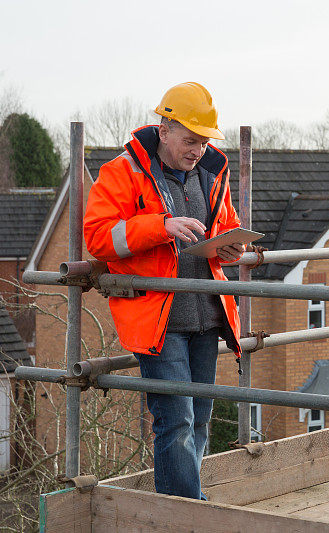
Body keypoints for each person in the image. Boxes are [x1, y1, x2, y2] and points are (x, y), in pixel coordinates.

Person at [84, 82, 244, 499]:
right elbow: (98, 238)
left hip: (207, 315)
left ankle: (184, 504)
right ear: (165, 128)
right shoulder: (123, 171)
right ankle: (187, 511)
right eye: (190, 140)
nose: (197, 150)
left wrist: (231, 246)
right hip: (160, 322)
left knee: (200, 418)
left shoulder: (211, 172)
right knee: (176, 421)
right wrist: (159, 227)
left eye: (204, 141)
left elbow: (222, 231)